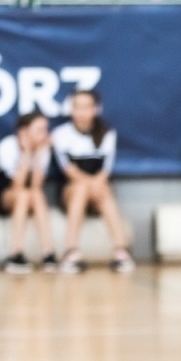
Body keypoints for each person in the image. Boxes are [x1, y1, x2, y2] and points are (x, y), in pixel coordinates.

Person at [50, 89, 135, 274]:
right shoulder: (60, 134)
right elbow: (69, 170)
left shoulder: (107, 133)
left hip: (99, 191)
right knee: (80, 188)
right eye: (76, 107)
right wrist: (91, 184)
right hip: (71, 192)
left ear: (95, 109)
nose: (81, 112)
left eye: (86, 107)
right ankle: (71, 252)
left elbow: (105, 169)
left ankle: (121, 251)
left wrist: (97, 184)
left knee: (103, 189)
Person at [0, 110, 58, 274]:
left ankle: (48, 253)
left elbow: (36, 186)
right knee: (23, 195)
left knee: (36, 195)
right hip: (5, 195)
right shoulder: (7, 146)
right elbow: (17, 185)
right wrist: (27, 152)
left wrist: (38, 154)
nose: (44, 134)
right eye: (39, 130)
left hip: (30, 195)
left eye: (46, 130)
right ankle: (15, 253)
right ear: (23, 132)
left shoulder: (43, 149)